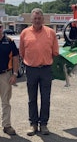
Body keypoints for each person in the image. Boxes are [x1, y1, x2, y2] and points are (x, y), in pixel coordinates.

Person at [19, 8, 59, 136]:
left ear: (43, 19)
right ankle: (33, 124)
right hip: (31, 70)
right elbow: (21, 52)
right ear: (31, 19)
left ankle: (44, 124)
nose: (37, 20)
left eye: (39, 18)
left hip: (46, 69)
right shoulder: (24, 33)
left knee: (45, 98)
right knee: (32, 99)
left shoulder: (51, 33)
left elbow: (55, 52)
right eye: (35, 18)